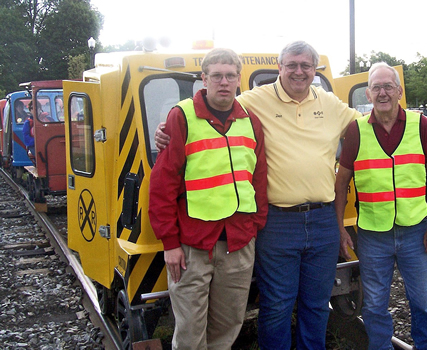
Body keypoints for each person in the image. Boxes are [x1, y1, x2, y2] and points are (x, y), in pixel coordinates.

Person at [155, 41, 361, 350]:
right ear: (280, 67)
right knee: (276, 306)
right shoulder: (253, 102)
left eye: (306, 66)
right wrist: (167, 130)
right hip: (273, 223)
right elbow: (207, 112)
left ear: (314, 71)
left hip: (320, 220)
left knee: (316, 304)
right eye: (291, 64)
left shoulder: (329, 104)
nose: (298, 71)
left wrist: (413, 123)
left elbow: (367, 127)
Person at [148, 48, 268, 350]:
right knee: (190, 331)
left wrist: (255, 225)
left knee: (228, 326)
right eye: (217, 76)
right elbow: (163, 185)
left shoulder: (251, 122)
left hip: (239, 243)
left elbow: (259, 179)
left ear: (239, 80)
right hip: (192, 245)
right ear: (204, 79)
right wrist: (170, 244)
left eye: (230, 76)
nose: (224, 82)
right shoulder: (182, 117)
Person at [335, 62, 427, 350]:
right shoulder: (356, 130)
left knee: (423, 300)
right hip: (373, 234)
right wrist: (339, 228)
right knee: (373, 304)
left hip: (415, 231)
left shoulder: (420, 125)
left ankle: (426, 345)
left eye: (388, 86)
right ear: (368, 95)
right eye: (376, 87)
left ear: (398, 91)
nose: (382, 92)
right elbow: (340, 184)